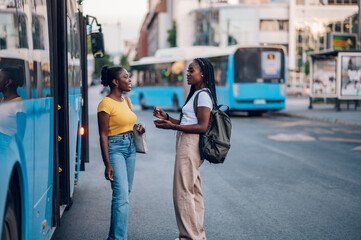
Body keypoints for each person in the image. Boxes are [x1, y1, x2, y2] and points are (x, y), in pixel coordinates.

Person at [153, 58, 217, 240]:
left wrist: (172, 127)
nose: (187, 74)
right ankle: (196, 235)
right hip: (188, 142)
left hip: (190, 144)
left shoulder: (203, 95)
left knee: (182, 192)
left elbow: (202, 127)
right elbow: (187, 122)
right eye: (187, 71)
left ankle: (189, 237)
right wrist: (168, 118)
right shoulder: (198, 94)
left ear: (202, 73)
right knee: (193, 191)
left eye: (191, 71)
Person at [97, 66, 145, 240]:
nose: (130, 79)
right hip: (115, 149)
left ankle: (113, 237)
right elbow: (103, 135)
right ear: (116, 82)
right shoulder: (105, 104)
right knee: (122, 196)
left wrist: (138, 127)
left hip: (130, 148)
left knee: (124, 194)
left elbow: (127, 123)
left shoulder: (127, 101)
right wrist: (107, 163)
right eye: (126, 77)